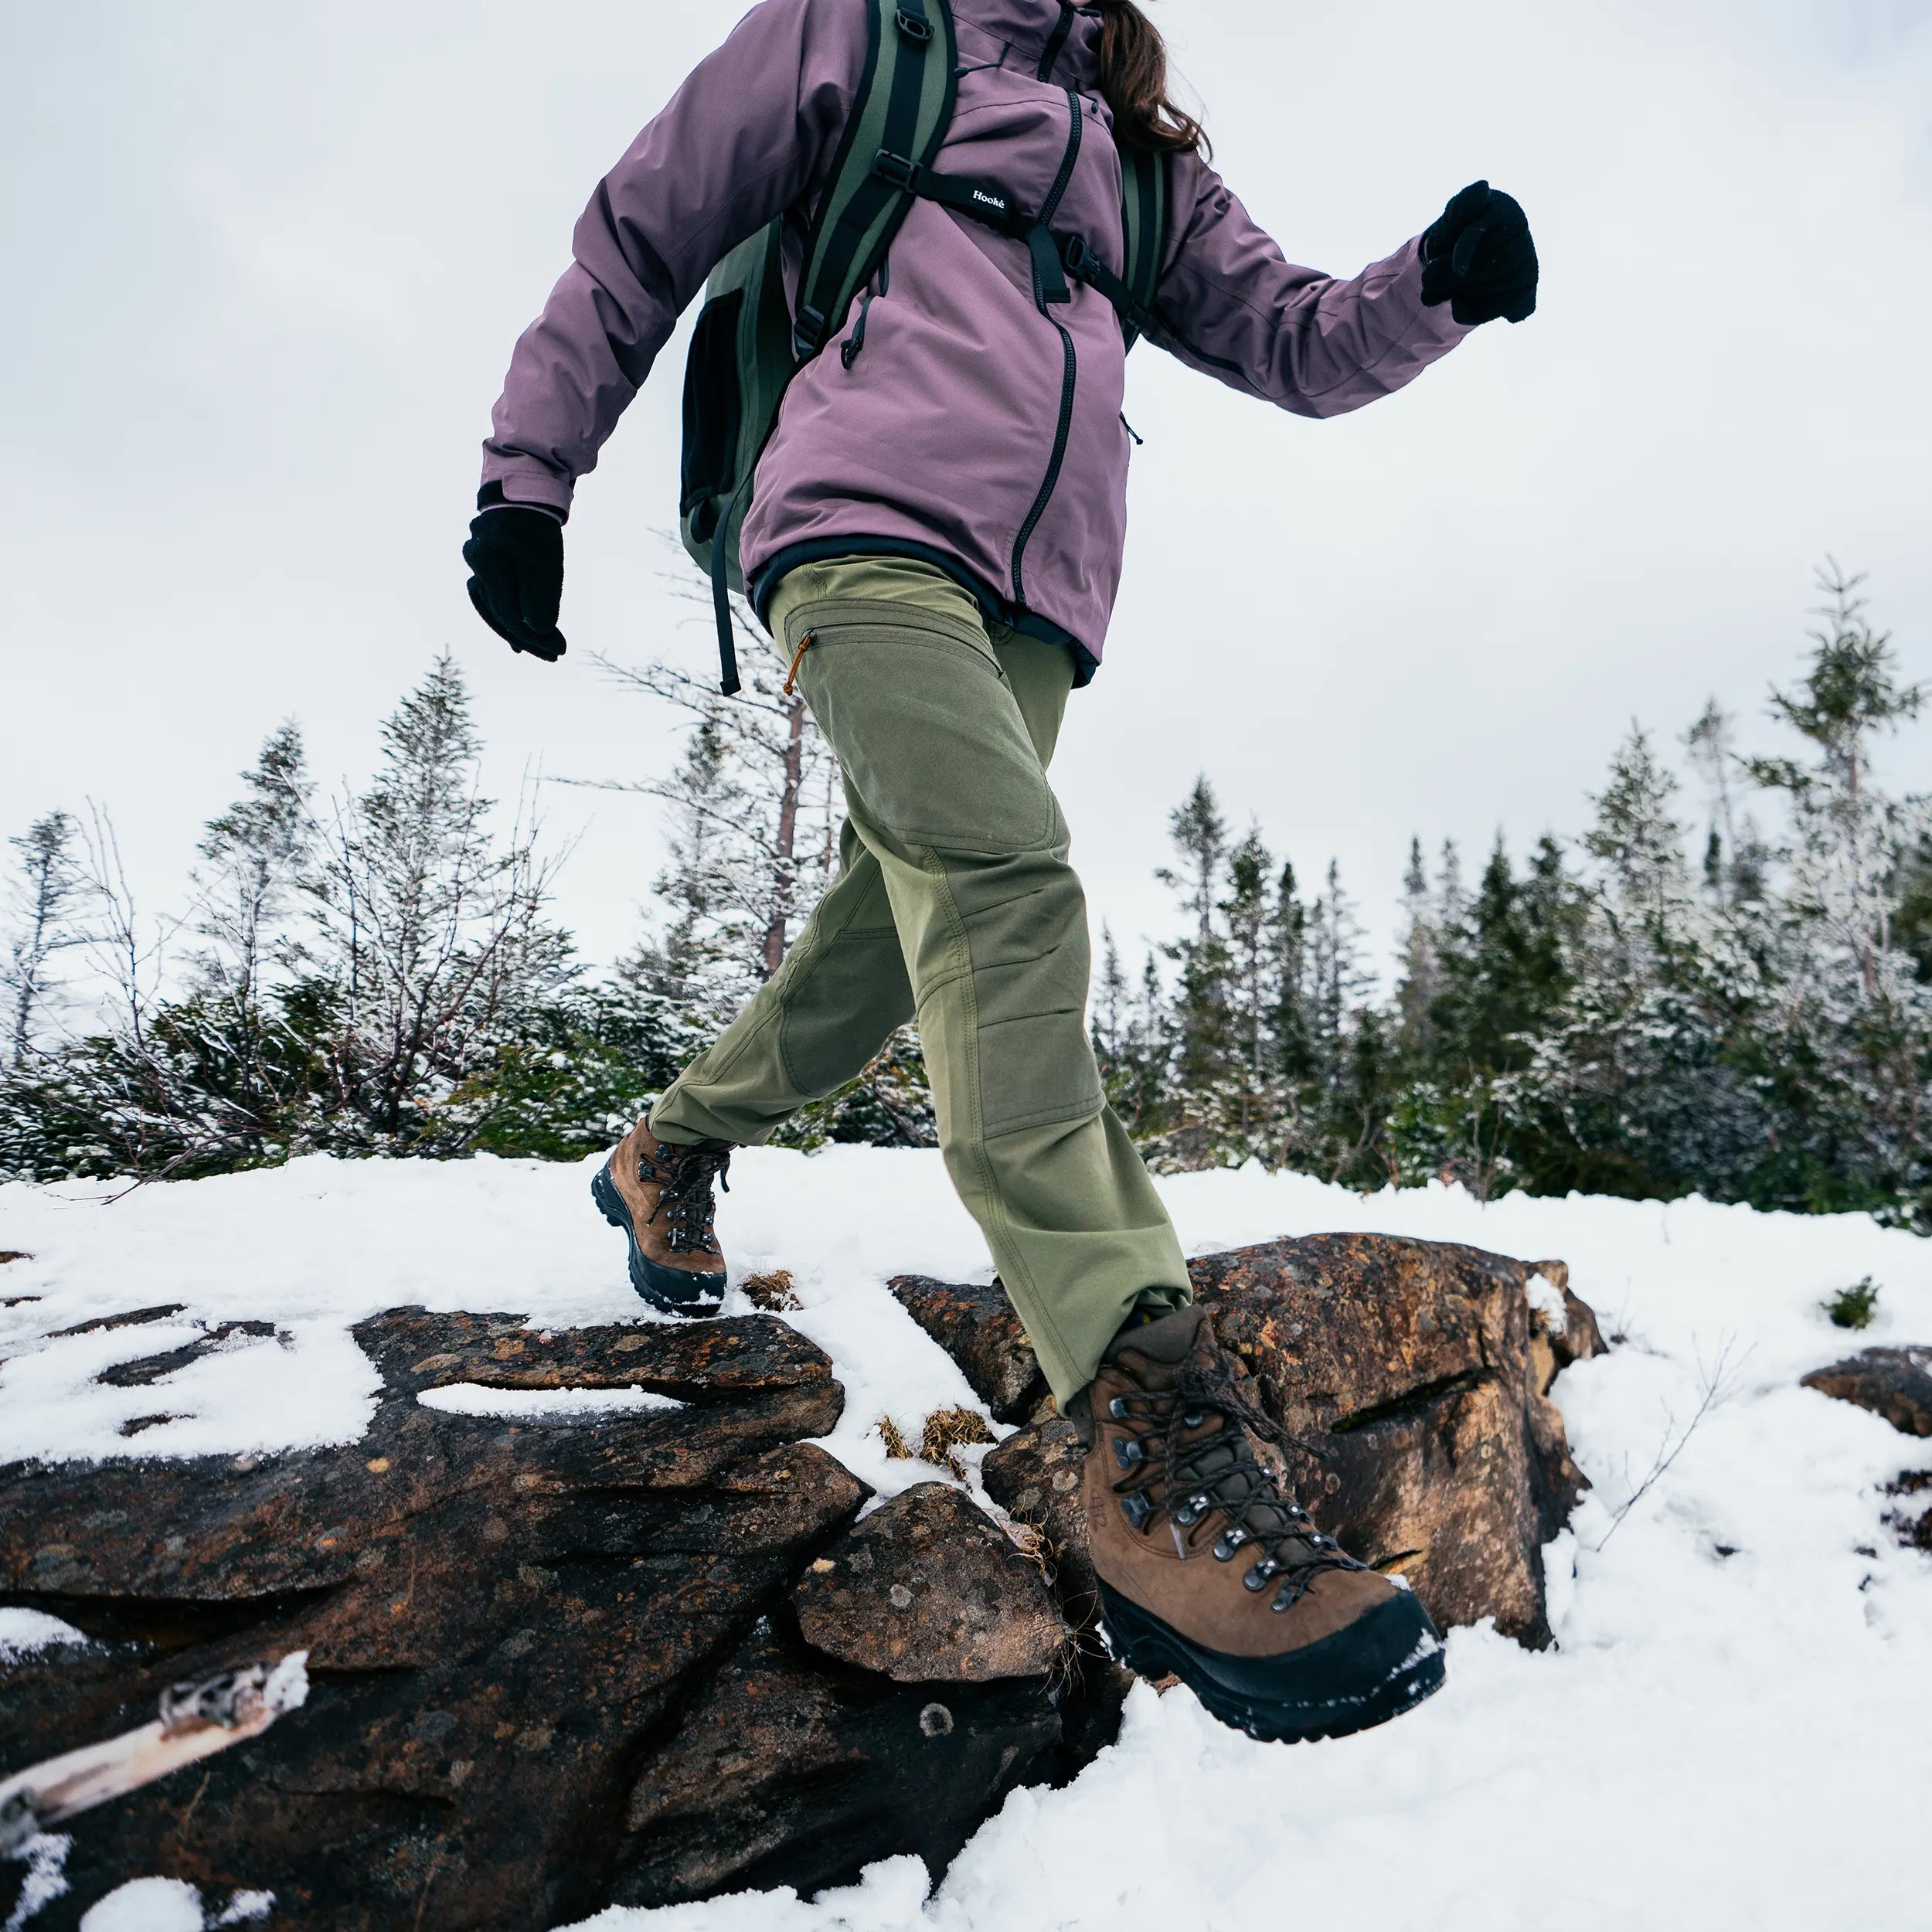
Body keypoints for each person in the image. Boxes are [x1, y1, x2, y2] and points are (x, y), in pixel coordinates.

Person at [465, 0, 1536, 1743]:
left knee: (898, 940)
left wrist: (1431, 287)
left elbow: (1287, 336)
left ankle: (670, 1142)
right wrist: (527, 478)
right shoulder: (857, 35)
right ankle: (1137, 1423)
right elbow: (641, 225)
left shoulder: (1132, 148)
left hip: (1038, 602)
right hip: (853, 529)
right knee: (1005, 890)